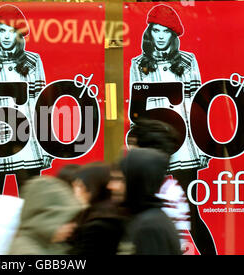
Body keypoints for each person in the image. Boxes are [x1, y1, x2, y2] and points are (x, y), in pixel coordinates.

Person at [128, 4, 216, 255]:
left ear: (173, 35)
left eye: (165, 31)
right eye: (155, 30)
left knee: (190, 211)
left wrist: (202, 144)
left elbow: (197, 106)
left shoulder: (188, 61)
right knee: (149, 207)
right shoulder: (138, 63)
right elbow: (138, 107)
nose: (159, 36)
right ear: (149, 33)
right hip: (153, 142)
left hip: (184, 143)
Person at [0, 4, 53, 196]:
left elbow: (42, 106)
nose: (7, 36)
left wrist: (46, 146)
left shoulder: (33, 61)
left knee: (30, 206)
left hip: (28, 142)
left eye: (12, 30)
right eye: (2, 30)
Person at [120, 148, 182, 255]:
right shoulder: (144, 218)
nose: (112, 186)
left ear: (136, 181)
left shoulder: (149, 227)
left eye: (121, 180)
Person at [8, 176, 81, 255]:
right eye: (66, 219)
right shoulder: (26, 251)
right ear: (45, 218)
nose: (73, 225)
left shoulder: (53, 246)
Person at [67, 162, 127, 255]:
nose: (76, 191)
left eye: (80, 186)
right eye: (75, 186)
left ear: (95, 187)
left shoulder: (98, 226)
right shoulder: (97, 216)